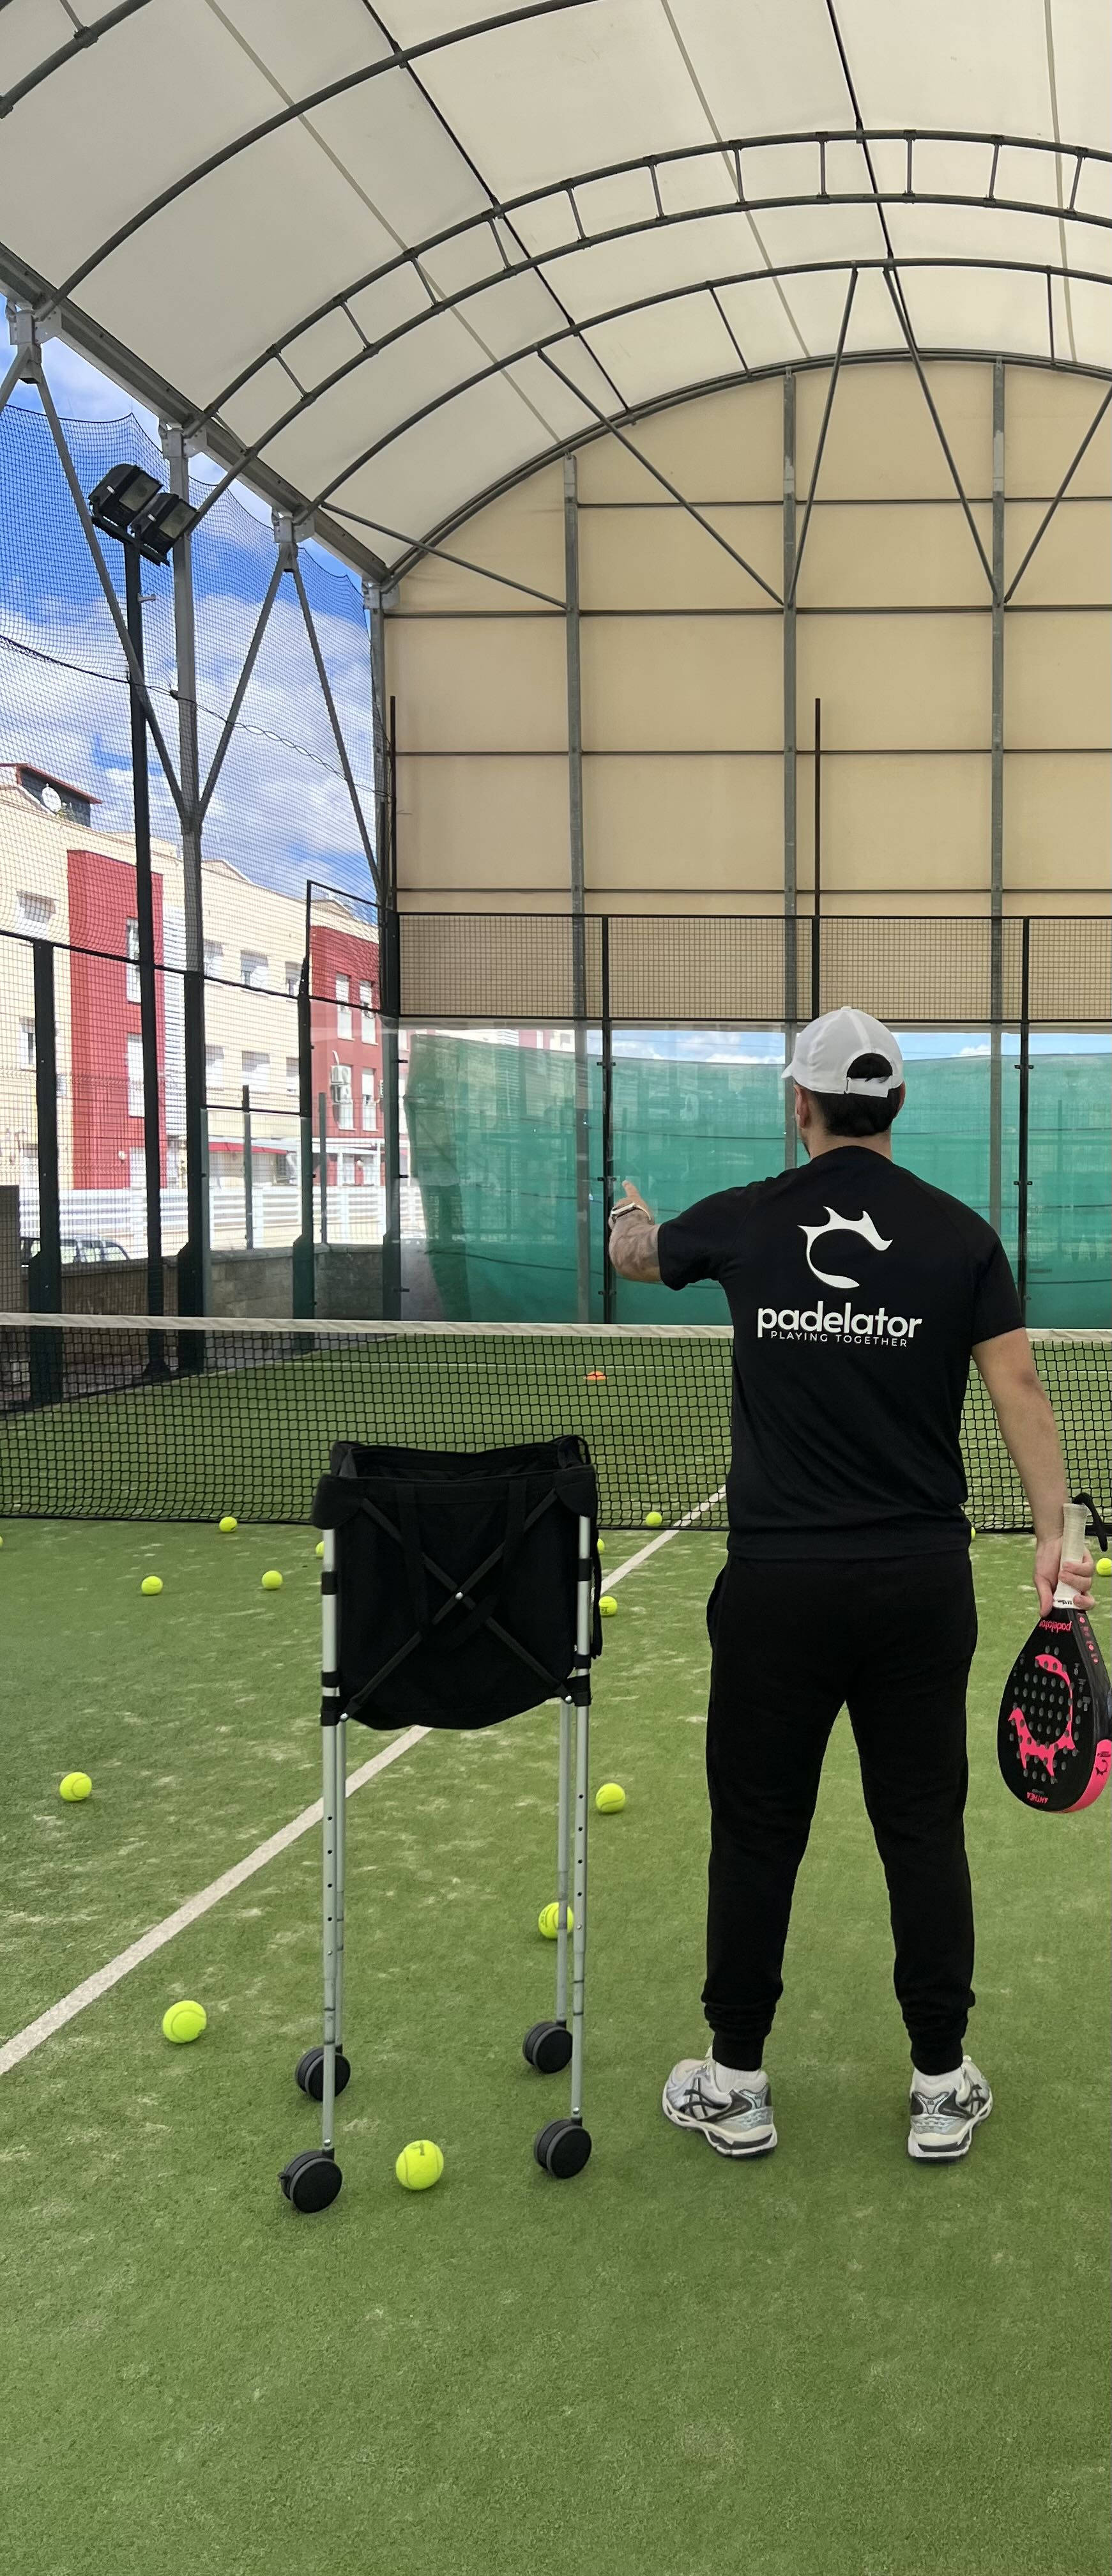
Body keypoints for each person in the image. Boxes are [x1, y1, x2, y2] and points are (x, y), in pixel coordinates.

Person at [607, 1006, 1095, 2165]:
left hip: (777, 1591)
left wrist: (628, 1217)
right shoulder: (960, 1236)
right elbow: (1019, 1389)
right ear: (896, 1105)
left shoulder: (744, 1217)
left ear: (801, 1104)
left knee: (756, 1830)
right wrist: (1056, 1533)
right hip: (919, 1590)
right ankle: (940, 2084)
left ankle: (735, 2082)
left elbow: (640, 1257)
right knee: (921, 1829)